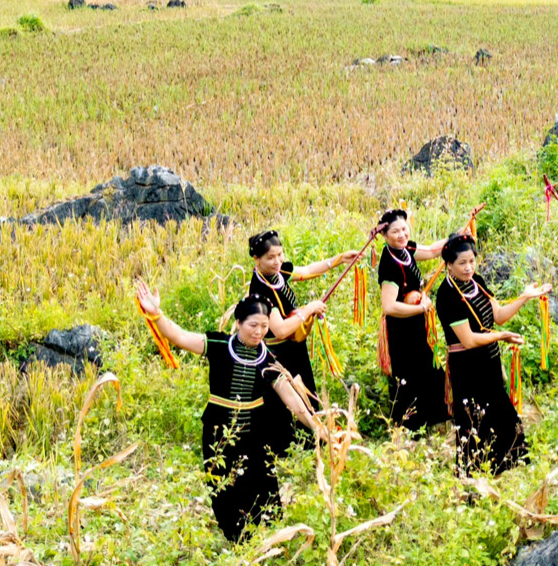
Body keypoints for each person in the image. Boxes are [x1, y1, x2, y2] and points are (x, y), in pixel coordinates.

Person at [134, 283, 324, 542]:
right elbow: (178, 336)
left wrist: (317, 427)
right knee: (225, 489)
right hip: (218, 431)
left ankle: (267, 544)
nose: (259, 332)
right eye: (253, 325)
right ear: (238, 322)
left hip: (255, 433)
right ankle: (237, 543)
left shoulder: (268, 359)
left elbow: (293, 400)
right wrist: (157, 313)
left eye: (264, 326)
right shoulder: (218, 345)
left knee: (263, 489)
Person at [434, 233, 549, 475]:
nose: (468, 268)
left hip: (489, 360)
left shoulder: (477, 281)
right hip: (466, 365)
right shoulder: (447, 295)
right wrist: (501, 336)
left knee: (502, 413)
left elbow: (498, 316)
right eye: (462, 263)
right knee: (473, 420)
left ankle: (505, 468)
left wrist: (525, 297)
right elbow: (469, 339)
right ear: (449, 265)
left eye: (472, 261)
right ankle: (472, 477)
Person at [246, 230, 362, 455]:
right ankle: (287, 451)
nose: (277, 261)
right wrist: (308, 309)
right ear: (256, 259)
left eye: (280, 255)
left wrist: (339, 259)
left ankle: (314, 443)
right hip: (277, 354)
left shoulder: (278, 274)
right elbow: (279, 330)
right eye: (270, 257)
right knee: (286, 403)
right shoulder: (260, 290)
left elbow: (307, 271)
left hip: (294, 348)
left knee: (305, 394)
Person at [376, 209, 451, 432]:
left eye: (404, 229)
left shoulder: (406, 250)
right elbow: (389, 307)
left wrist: (457, 236)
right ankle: (408, 429)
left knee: (428, 369)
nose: (401, 234)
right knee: (408, 376)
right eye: (395, 231)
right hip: (401, 330)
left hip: (416, 323)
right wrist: (419, 308)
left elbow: (431, 250)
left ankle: (435, 421)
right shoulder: (390, 264)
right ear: (385, 235)